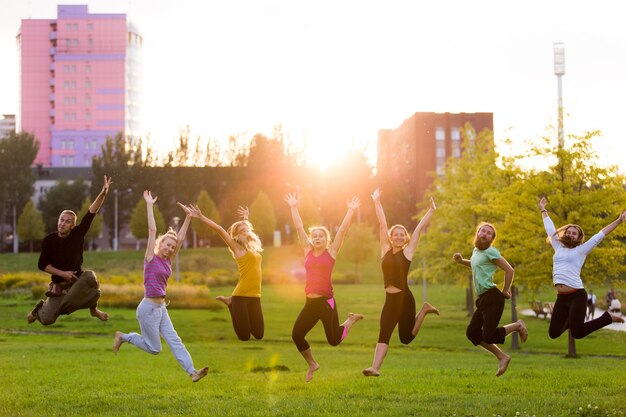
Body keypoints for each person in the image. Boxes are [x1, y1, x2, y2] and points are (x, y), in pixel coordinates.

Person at [112, 191, 208, 383]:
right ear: (160, 243)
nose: (171, 248)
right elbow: (151, 230)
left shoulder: (168, 261)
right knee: (155, 349)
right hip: (147, 309)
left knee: (174, 340)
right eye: (167, 244)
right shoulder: (150, 258)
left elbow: (180, 239)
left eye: (173, 247)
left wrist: (188, 217)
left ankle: (192, 372)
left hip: (161, 308)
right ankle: (124, 336)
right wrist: (149, 205)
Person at [285, 192, 364, 382]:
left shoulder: (332, 252)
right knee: (297, 335)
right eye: (315, 236)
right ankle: (312, 364)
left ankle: (350, 321)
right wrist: (293, 207)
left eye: (321, 236)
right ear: (311, 239)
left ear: (326, 239)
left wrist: (351, 210)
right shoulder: (307, 251)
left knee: (334, 340)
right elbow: (298, 227)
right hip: (309, 303)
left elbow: (343, 230)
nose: (317, 238)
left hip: (326, 302)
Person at [362, 189, 440, 377]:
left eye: (401, 234)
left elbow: (419, 228)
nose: (398, 236)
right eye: (395, 234)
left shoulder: (408, 253)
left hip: (405, 300)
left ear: (405, 238)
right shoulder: (385, 250)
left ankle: (423, 310)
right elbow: (382, 224)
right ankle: (375, 368)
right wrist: (377, 201)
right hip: (390, 300)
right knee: (384, 333)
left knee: (405, 338)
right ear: (390, 237)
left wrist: (431, 210)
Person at [27, 175, 112, 325]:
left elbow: (91, 213)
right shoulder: (49, 240)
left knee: (91, 278)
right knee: (47, 320)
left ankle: (94, 311)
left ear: (73, 225)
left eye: (68, 221)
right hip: (59, 285)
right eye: (61, 220)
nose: (63, 223)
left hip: (77, 281)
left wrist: (103, 193)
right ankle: (39, 309)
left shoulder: (77, 234)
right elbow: (42, 265)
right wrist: (63, 274)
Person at [538, 197, 626, 339]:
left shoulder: (582, 250)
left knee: (577, 333)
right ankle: (573, 321)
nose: (571, 234)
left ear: (579, 237)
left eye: (574, 233)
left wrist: (619, 220)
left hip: (577, 295)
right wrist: (543, 208)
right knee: (553, 333)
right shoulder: (558, 246)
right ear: (565, 233)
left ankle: (607, 317)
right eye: (569, 232)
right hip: (561, 297)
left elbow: (600, 235)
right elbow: (549, 228)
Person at [453, 222, 528, 377]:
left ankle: (518, 325)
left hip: (493, 297)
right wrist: (462, 261)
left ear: (492, 239)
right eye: (483, 231)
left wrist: (505, 290)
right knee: (472, 333)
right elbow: (475, 265)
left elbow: (509, 270)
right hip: (483, 298)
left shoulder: (491, 251)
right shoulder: (476, 251)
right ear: (477, 233)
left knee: (489, 335)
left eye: (489, 233)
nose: (485, 234)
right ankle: (502, 357)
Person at [187, 204, 264, 341]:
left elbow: (247, 227)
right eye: (243, 231)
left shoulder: (253, 249)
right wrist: (201, 217)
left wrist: (246, 218)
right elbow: (220, 230)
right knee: (244, 336)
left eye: (248, 229)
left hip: (255, 295)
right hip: (240, 296)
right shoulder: (238, 249)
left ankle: (230, 302)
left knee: (259, 334)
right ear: (237, 235)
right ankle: (231, 304)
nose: (247, 231)